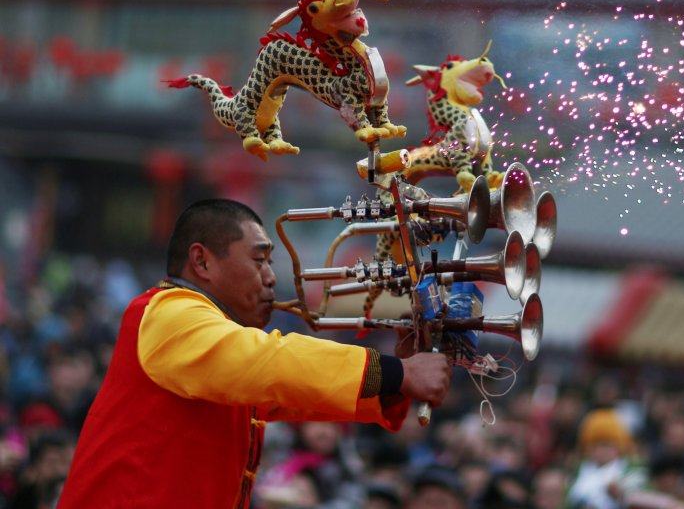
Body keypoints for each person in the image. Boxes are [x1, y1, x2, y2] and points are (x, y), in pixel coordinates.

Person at [57, 198, 452, 508]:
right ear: (201, 261)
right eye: (259, 259)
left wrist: (403, 368)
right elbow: (272, 363)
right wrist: (399, 372)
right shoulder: (167, 311)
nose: (272, 277)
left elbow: (302, 392)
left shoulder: (218, 347)